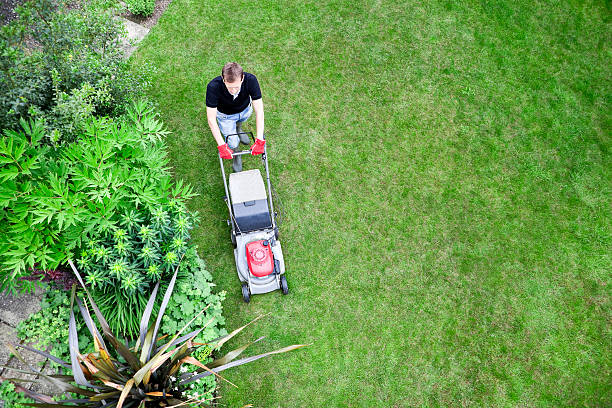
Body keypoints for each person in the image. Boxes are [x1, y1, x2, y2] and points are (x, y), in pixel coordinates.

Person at [205, 62, 265, 172]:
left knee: (242, 120)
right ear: (224, 80)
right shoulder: (213, 87)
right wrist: (222, 146)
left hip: (245, 110)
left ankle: (238, 128)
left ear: (242, 79)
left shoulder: (251, 80)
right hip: (225, 116)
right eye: (230, 87)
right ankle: (237, 154)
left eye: (236, 87)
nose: (233, 90)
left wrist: (260, 139)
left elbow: (259, 111)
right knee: (232, 142)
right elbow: (211, 119)